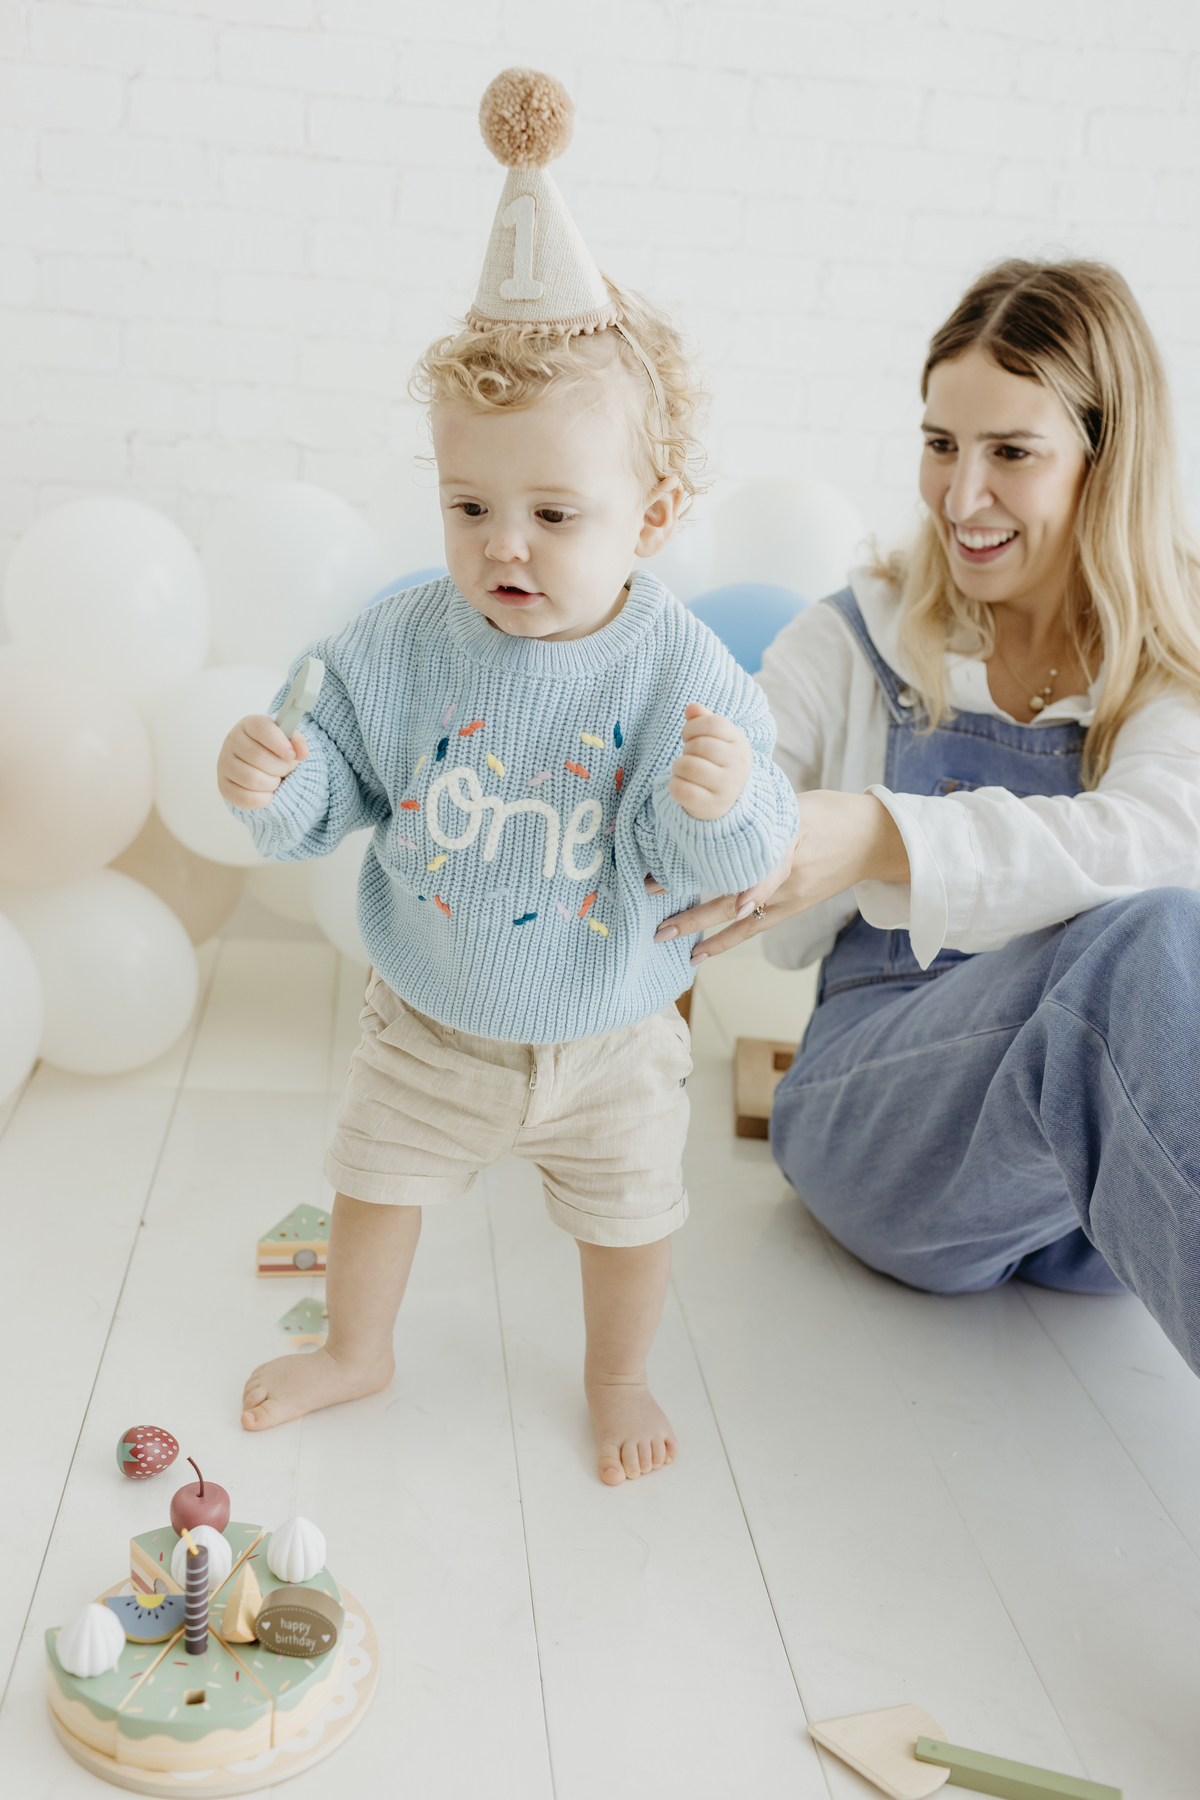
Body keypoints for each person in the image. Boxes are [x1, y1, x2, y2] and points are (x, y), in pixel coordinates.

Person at [215, 70, 798, 1485]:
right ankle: (361, 1347)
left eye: (553, 512)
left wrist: (720, 811)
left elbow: (739, 855)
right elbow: (334, 787)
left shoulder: (671, 666)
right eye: (469, 506)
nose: (505, 547)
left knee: (632, 1219)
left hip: (608, 1031)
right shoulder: (409, 642)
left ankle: (616, 1374)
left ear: (652, 514)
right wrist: (273, 782)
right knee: (374, 1182)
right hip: (431, 1024)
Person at [655, 259, 1200, 1371]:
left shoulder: (1168, 668)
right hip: (883, 1125)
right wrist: (713, 800)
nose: (959, 497)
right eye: (941, 444)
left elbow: (1162, 838)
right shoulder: (855, 635)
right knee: (1124, 961)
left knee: (1149, 938)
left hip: (1090, 1207)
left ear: (1107, 461)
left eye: (1011, 452)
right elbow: (747, 772)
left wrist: (879, 832)